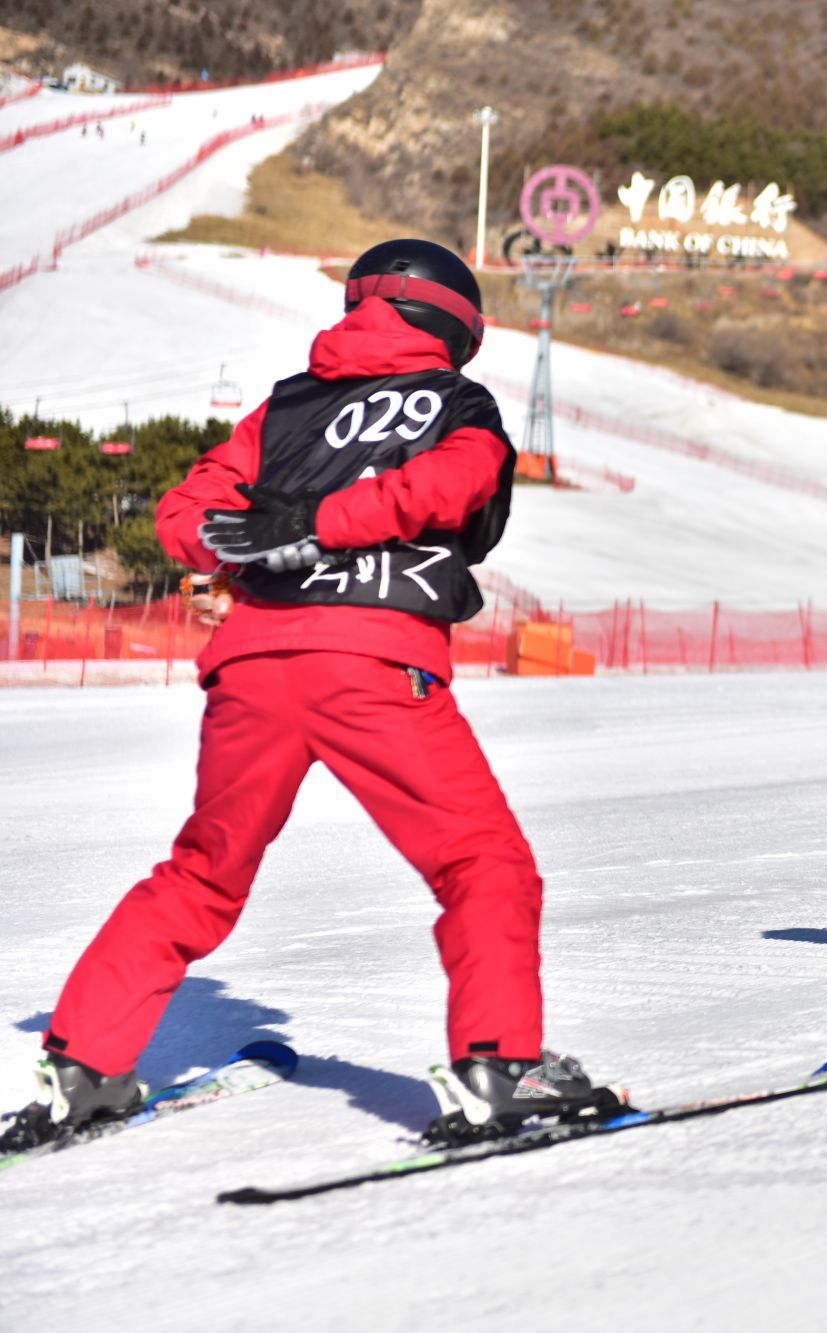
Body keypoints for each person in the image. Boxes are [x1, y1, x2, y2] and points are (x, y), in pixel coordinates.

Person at [1, 239, 616, 1154]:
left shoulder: (286, 406)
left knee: (204, 872)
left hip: (250, 669)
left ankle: (85, 1066)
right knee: (483, 863)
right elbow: (458, 483)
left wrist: (250, 540)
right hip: (374, 659)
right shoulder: (459, 400)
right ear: (459, 324)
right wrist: (327, 525)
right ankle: (500, 1066)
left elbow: (186, 510)